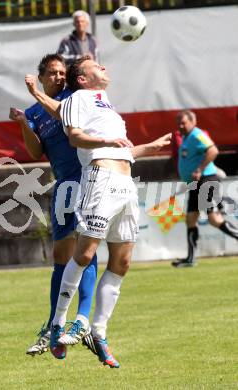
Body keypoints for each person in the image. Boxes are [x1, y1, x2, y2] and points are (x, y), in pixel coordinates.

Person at [33, 56, 171, 368]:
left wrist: (149, 147)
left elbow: (121, 148)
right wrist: (108, 139)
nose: (104, 67)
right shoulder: (77, 99)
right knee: (84, 254)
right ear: (81, 78)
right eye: (95, 65)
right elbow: (75, 137)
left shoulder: (107, 105)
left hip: (125, 183)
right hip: (100, 180)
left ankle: (98, 331)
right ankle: (59, 323)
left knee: (122, 262)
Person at [9, 54, 98, 359]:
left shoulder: (72, 97)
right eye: (53, 73)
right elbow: (35, 152)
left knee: (86, 249)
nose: (60, 77)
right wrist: (24, 123)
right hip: (63, 185)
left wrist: (37, 93)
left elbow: (64, 116)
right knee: (62, 254)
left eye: (63, 72)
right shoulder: (35, 111)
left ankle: (82, 318)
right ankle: (54, 325)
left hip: (87, 179)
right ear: (42, 75)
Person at [172, 110, 238, 268]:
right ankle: (191, 259)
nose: (180, 126)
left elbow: (213, 150)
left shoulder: (196, 134)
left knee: (214, 219)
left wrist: (200, 169)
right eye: (178, 123)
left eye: (184, 123)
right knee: (190, 219)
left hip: (206, 181)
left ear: (192, 122)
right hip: (196, 185)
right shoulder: (187, 137)